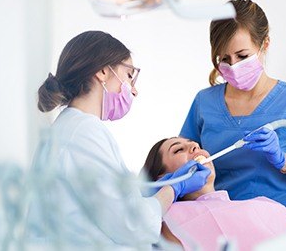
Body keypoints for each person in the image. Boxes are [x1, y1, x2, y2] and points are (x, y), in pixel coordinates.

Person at [33, 30, 211, 249]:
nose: (133, 91)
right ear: (102, 72)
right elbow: (131, 226)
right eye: (129, 76)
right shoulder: (84, 131)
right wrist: (175, 188)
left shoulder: (70, 128)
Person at [179, 0, 286, 223]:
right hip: (217, 223)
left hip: (274, 226)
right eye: (224, 58)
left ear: (265, 44)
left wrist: (283, 160)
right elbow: (179, 164)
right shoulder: (204, 102)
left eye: (242, 56)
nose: (233, 66)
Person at [141, 137, 286, 251]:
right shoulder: (162, 221)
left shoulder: (266, 205)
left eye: (195, 145)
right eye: (178, 149)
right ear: (161, 178)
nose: (195, 147)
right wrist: (170, 189)